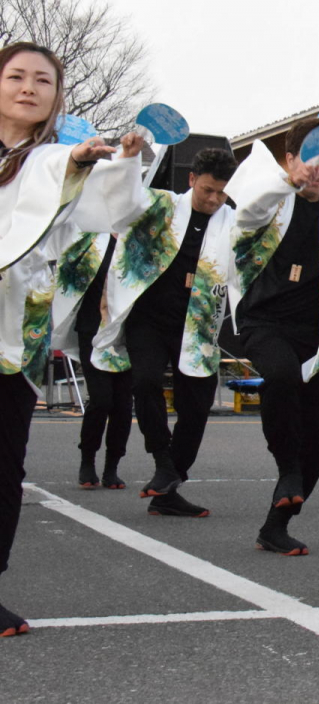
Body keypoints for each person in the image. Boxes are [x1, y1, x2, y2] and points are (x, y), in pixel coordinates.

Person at [0, 41, 140, 637]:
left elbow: (116, 210)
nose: (28, 87)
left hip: (12, 338)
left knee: (5, 470)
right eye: (15, 76)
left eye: (43, 81)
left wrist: (118, 161)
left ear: (57, 99)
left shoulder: (58, 159)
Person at [225, 121, 319, 556]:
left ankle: (276, 524)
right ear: (289, 159)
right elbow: (246, 216)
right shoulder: (271, 198)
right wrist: (288, 183)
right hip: (263, 321)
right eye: (311, 160)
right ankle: (287, 470)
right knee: (282, 377)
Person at [92, 147, 239, 519]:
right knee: (144, 382)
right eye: (207, 190)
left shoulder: (232, 222)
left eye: (222, 192)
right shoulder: (161, 204)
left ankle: (169, 486)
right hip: (150, 317)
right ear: (191, 180)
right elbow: (122, 205)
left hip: (199, 321)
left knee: (197, 404)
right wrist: (126, 158)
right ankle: (162, 459)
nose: (214, 199)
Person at [53, 229, 132, 489]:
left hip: (126, 334)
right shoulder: (90, 240)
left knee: (122, 404)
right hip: (93, 329)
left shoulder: (136, 242)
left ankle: (112, 467)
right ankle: (87, 461)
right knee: (101, 399)